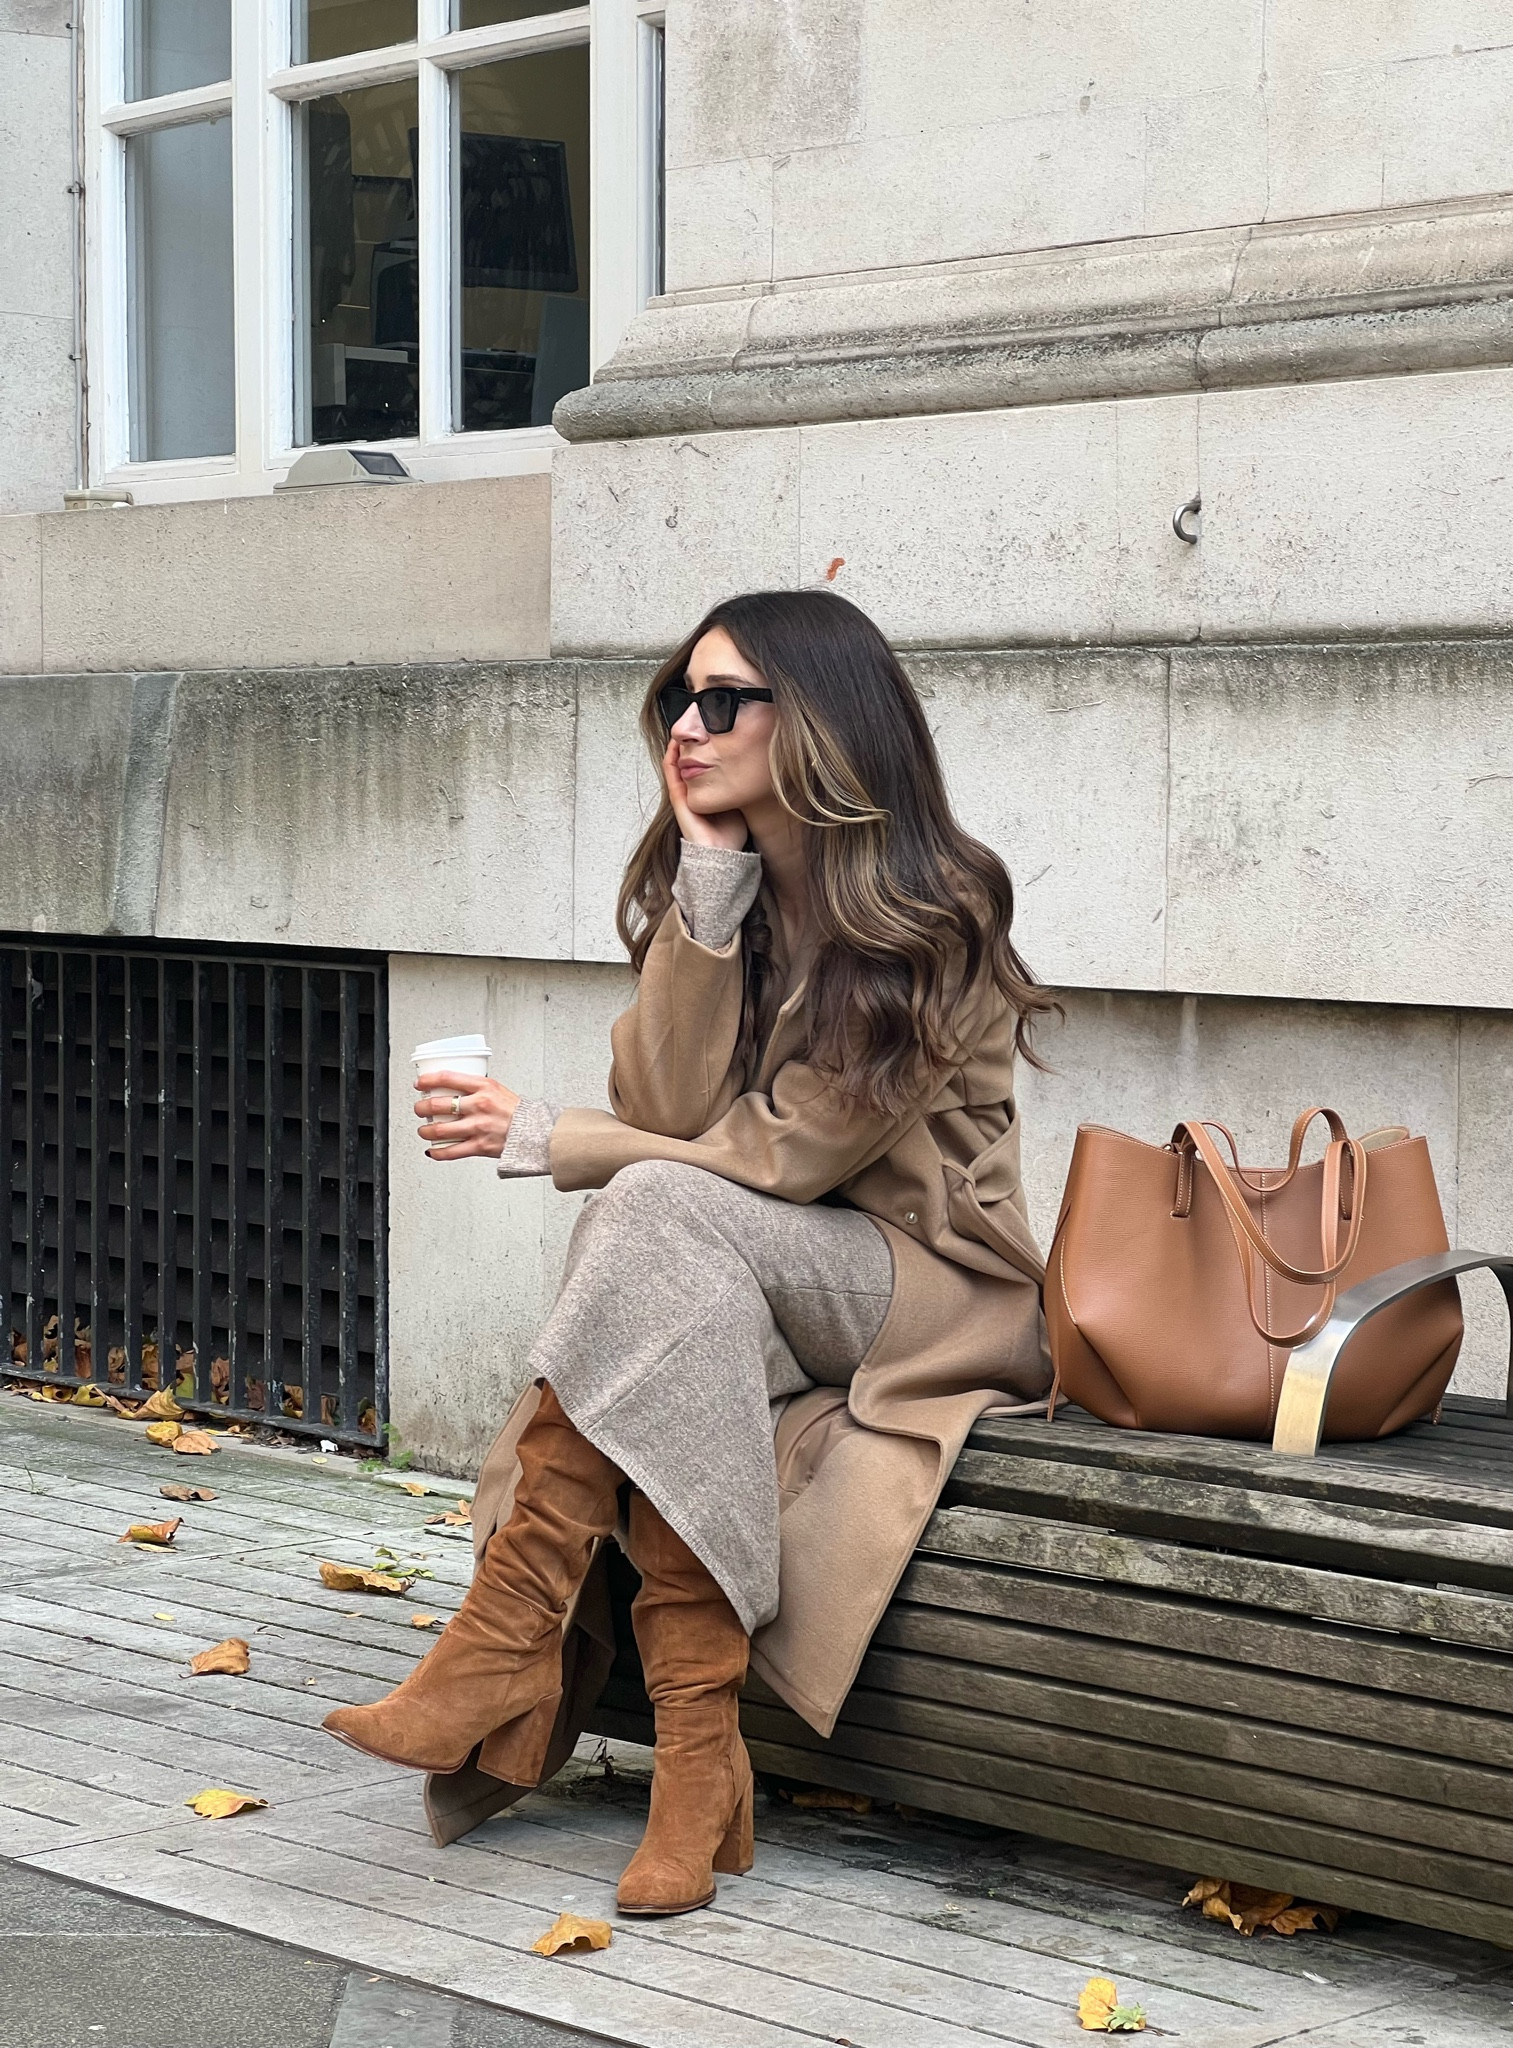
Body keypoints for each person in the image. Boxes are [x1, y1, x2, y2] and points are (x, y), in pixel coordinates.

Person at [322, 588, 1055, 1916]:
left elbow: (790, 1155)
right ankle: (696, 1773)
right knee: (666, 1280)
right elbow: (666, 1113)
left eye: (725, 702)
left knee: (646, 1213)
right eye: (678, 699)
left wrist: (550, 1135)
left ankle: (500, 1646)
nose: (688, 728)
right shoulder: (734, 893)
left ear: (821, 719)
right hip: (762, 1267)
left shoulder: (932, 907)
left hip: (931, 1291)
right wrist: (708, 883)